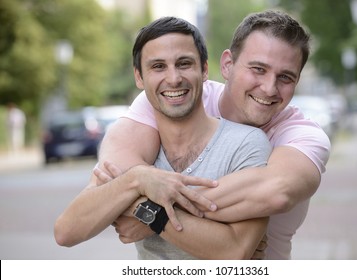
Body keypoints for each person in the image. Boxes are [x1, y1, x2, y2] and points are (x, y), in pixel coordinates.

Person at [95, 10, 331, 259]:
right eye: (258, 69)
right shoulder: (178, 95)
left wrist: (151, 214)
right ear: (228, 64)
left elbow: (277, 191)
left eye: (285, 77)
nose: (270, 88)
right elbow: (114, 170)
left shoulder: (304, 135)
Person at [55, 16, 272, 260]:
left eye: (184, 63)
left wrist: (144, 210)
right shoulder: (137, 151)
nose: (173, 78)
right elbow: (66, 232)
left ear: (203, 70)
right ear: (139, 77)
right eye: (158, 66)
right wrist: (138, 179)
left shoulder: (246, 143)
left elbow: (235, 250)